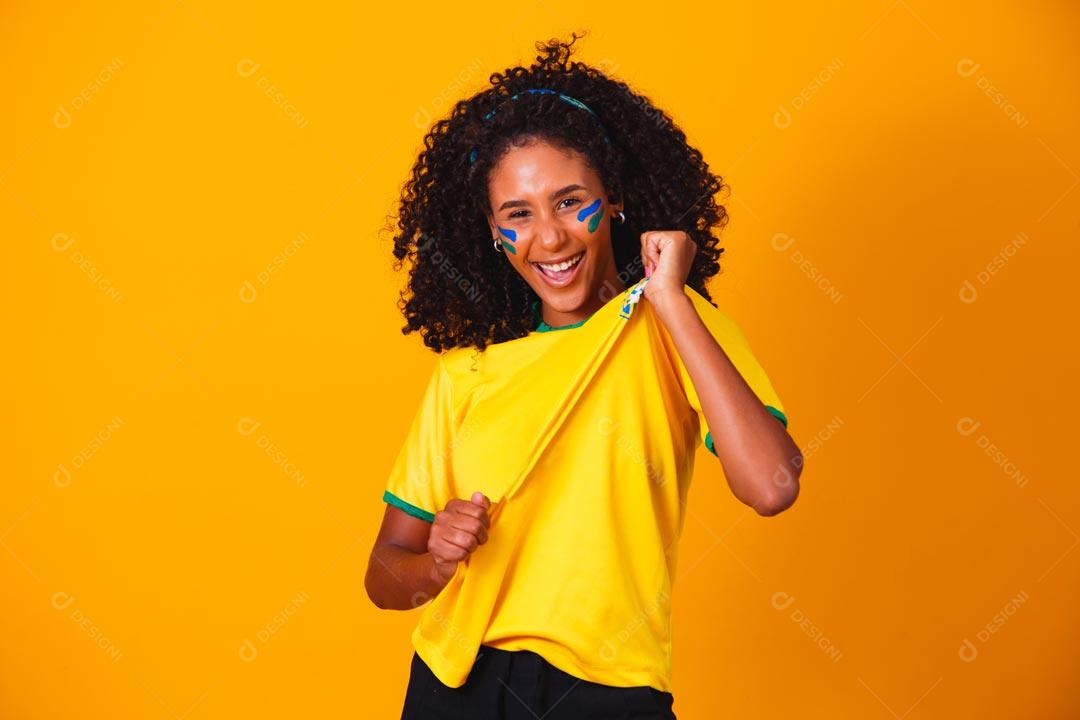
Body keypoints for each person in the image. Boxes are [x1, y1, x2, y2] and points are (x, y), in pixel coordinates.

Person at [365, 32, 804, 720]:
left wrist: (669, 297)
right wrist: (436, 561)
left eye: (571, 201)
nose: (550, 238)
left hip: (607, 691)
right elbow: (385, 575)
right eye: (519, 214)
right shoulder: (466, 374)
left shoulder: (673, 327)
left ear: (617, 199)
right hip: (455, 687)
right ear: (491, 230)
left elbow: (772, 485)